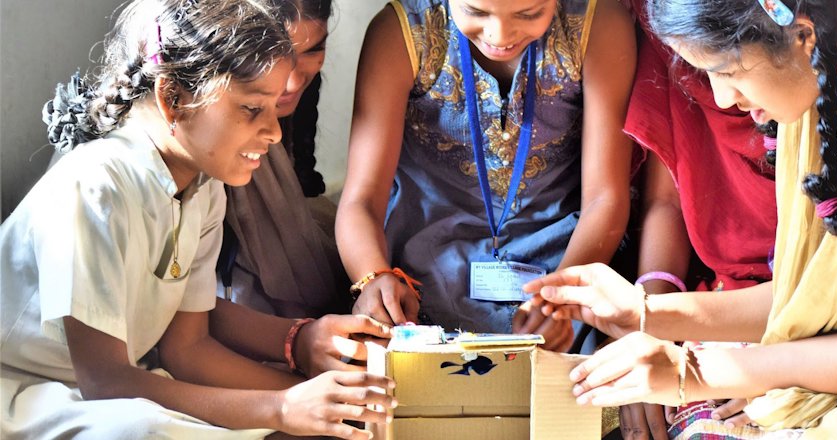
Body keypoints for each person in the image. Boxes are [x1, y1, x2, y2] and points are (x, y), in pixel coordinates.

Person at [526, 0, 837, 438]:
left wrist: (693, 371)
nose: (723, 98)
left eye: (726, 71)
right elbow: (818, 291)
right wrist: (642, 313)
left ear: (801, 34)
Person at [1, 1, 395, 438]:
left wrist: (323, 404)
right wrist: (281, 408)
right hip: (31, 393)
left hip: (122, 388)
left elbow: (188, 347)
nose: (276, 132)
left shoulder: (203, 188)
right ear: (173, 99)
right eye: (252, 109)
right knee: (143, 430)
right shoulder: (95, 186)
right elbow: (105, 382)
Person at [336, 0, 637, 351]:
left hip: (566, 258)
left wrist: (561, 297)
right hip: (423, 266)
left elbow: (606, 198)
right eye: (475, 12)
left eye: (529, 14)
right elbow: (361, 200)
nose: (500, 35)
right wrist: (374, 278)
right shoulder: (401, 32)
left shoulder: (598, 25)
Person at [216, 0, 347, 319]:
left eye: (313, 50)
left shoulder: (297, 81)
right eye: (279, 55)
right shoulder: (203, 122)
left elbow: (302, 178)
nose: (292, 83)